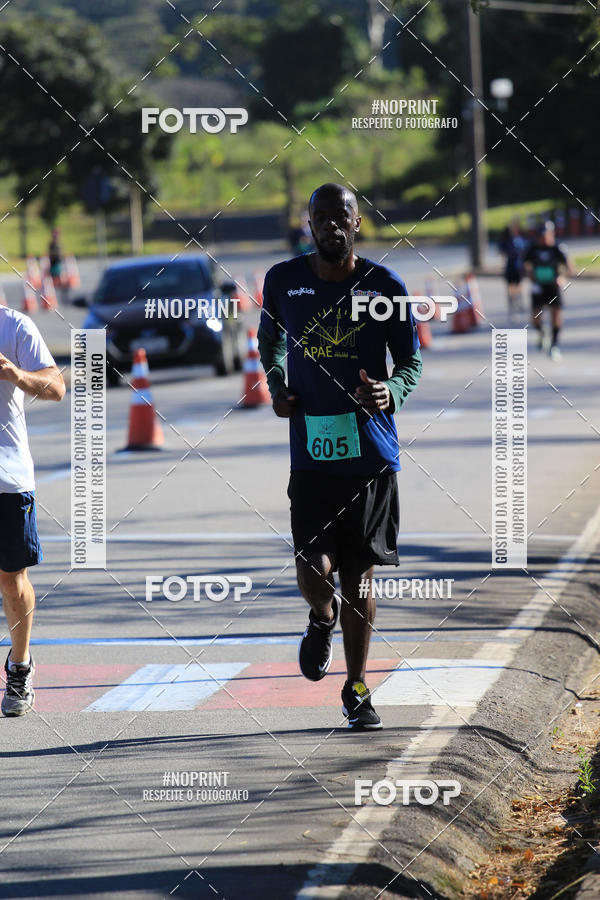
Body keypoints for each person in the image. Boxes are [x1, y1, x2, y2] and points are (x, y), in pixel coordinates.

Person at [258, 182, 422, 730]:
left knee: (359, 578)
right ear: (310, 224)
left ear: (357, 223)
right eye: (321, 215)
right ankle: (319, 616)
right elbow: (271, 342)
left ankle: (356, 688)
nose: (331, 223)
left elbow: (411, 364)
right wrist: (278, 384)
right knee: (313, 569)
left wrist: (390, 391)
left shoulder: (385, 286)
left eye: (341, 215)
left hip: (371, 456)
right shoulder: (283, 281)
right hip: (311, 451)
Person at [0, 305, 65, 716]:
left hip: (7, 475)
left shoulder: (15, 326)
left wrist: (15, 375)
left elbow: (56, 387)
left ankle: (20, 666)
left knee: (11, 580)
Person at [524, 221, 574, 361]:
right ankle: (542, 333)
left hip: (553, 286)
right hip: (538, 286)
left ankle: (554, 346)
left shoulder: (558, 248)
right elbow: (524, 264)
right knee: (535, 318)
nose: (544, 239)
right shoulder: (532, 248)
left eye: (546, 235)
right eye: (541, 236)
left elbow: (569, 267)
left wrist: (562, 278)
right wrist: (530, 276)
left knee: (556, 314)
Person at [499, 218, 528, 320]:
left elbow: (525, 252)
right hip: (510, 266)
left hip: (518, 266)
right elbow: (501, 252)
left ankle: (520, 303)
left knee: (519, 286)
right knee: (510, 288)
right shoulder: (505, 241)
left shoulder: (520, 239)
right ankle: (512, 306)